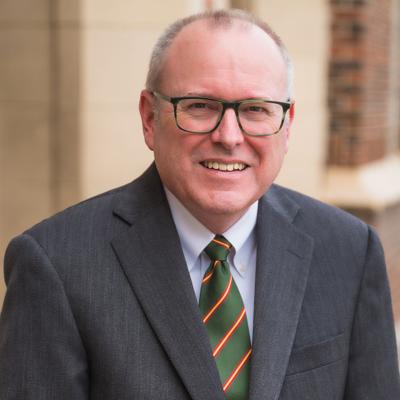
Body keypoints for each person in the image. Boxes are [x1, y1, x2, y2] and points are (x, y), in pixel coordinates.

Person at [0, 9, 399, 400]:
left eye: (255, 109)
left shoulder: (349, 252)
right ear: (149, 118)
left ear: (287, 124)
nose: (229, 136)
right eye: (200, 106)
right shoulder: (56, 264)